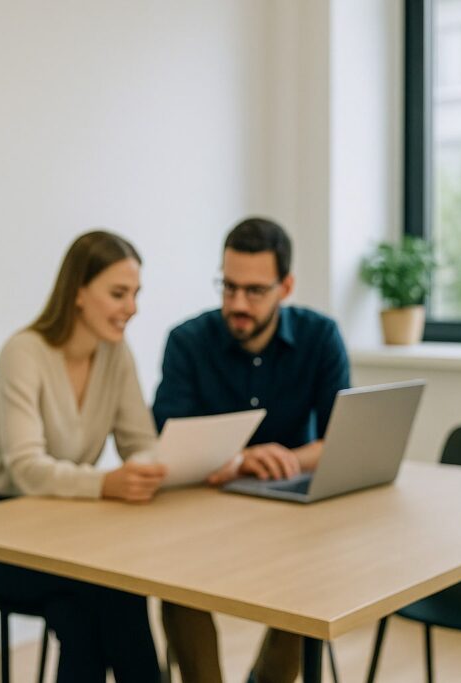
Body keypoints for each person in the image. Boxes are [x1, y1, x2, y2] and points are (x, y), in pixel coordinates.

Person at [152, 217, 350, 683]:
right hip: (201, 516)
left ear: (286, 286)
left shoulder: (320, 337)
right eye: (229, 287)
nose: (237, 304)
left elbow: (341, 441)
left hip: (289, 516)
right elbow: (170, 443)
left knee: (316, 573)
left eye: (255, 291)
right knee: (175, 581)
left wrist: (286, 459)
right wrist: (240, 461)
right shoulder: (187, 341)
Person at [0, 230, 167, 682]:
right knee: (112, 589)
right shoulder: (25, 353)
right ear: (78, 292)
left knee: (84, 608)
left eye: (135, 294)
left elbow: (141, 441)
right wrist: (105, 484)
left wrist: (151, 466)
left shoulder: (116, 354)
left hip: (64, 529)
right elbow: (25, 468)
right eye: (118, 293)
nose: (131, 307)